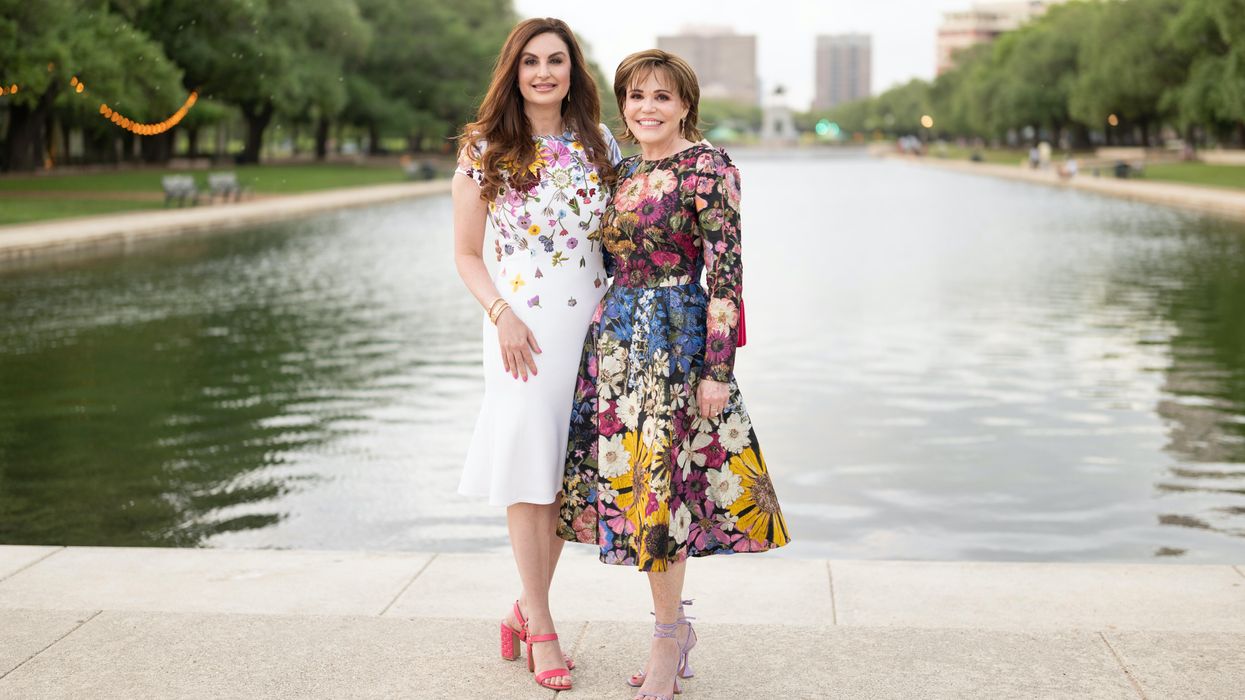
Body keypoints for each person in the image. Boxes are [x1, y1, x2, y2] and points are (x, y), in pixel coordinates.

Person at [559, 49, 790, 700]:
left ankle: (666, 641)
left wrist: (717, 369)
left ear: (685, 103)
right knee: (639, 495)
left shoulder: (708, 169)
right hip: (617, 346)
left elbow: (725, 277)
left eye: (660, 96)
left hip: (676, 345)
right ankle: (671, 628)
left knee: (663, 499)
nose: (646, 108)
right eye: (634, 96)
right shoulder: (625, 169)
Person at [452, 16, 621, 692]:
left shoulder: (599, 142)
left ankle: (523, 609)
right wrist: (502, 315)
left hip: (591, 325)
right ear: (513, 72)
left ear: (572, 72)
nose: (544, 72)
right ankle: (542, 627)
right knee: (528, 467)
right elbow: (466, 254)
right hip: (519, 330)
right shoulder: (484, 145)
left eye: (556, 60)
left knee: (562, 474)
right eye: (530, 62)